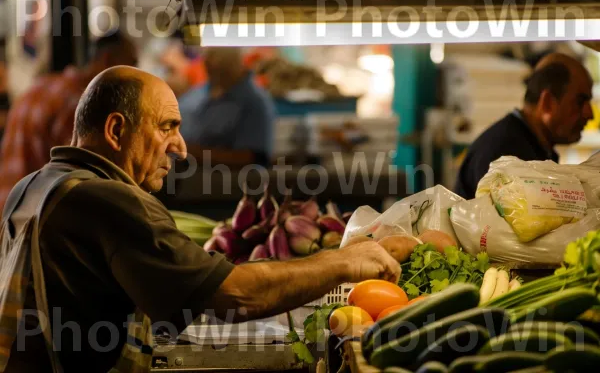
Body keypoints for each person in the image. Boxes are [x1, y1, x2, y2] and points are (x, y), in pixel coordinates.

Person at [1, 66, 400, 373]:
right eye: (166, 127)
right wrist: (344, 261)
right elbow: (236, 295)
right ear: (116, 129)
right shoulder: (108, 198)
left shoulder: (35, 185)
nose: (180, 148)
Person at [0, 31, 138, 214]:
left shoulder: (39, 86)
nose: (136, 75)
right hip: (35, 220)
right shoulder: (79, 104)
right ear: (107, 60)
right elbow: (81, 182)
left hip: (8, 212)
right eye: (132, 63)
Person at [454, 53, 594, 200]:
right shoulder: (504, 154)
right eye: (580, 101)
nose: (589, 114)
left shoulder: (534, 147)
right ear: (547, 102)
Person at [177, 47, 275, 167]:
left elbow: (250, 158)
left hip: (222, 180)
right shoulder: (199, 92)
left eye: (219, 68)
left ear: (236, 66)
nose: (212, 72)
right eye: (209, 66)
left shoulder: (255, 103)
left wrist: (191, 152)